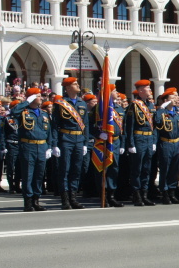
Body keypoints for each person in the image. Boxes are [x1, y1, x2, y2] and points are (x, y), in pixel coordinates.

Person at [11, 88, 52, 211]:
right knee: (28, 175)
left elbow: (48, 132)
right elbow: (13, 112)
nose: (41, 98)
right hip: (28, 146)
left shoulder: (44, 113)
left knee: (39, 175)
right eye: (38, 96)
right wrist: (25, 102)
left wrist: (49, 147)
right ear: (32, 98)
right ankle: (28, 202)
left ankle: (36, 200)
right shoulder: (24, 112)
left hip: (42, 146)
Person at [52, 77, 89, 209]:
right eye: (74, 84)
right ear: (67, 88)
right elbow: (55, 125)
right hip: (65, 139)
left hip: (79, 140)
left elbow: (85, 125)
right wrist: (54, 144)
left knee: (76, 169)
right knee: (65, 170)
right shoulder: (60, 103)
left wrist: (85, 142)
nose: (78, 85)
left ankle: (73, 198)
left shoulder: (82, 103)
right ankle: (65, 199)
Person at [89, 84, 126, 207]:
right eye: (114, 91)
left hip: (115, 142)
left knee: (114, 168)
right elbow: (89, 126)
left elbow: (122, 128)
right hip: (103, 142)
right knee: (102, 169)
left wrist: (122, 143)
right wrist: (99, 134)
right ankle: (103, 195)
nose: (117, 92)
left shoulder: (118, 108)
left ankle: (111, 195)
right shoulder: (100, 108)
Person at [4, 100, 22, 193]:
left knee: (19, 166)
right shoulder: (8, 119)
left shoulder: (22, 118)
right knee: (11, 166)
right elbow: (3, 133)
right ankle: (11, 185)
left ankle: (18, 185)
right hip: (11, 144)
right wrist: (4, 146)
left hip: (21, 144)